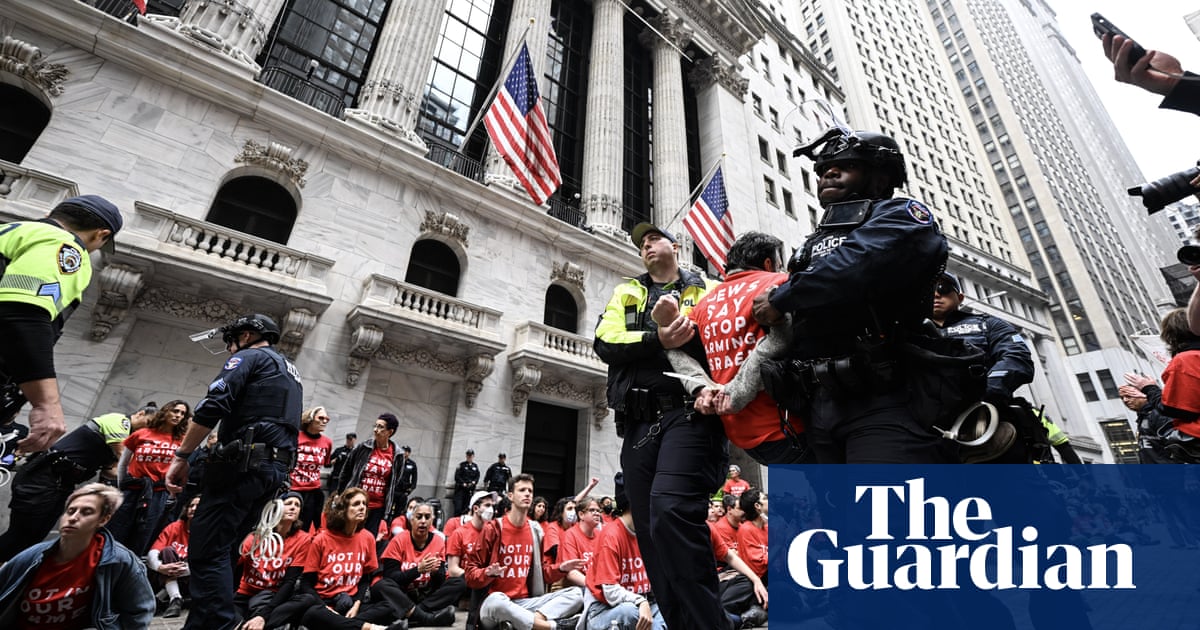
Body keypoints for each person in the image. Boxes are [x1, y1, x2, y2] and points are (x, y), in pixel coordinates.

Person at [752, 129, 951, 464]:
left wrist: (781, 297)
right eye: (823, 169)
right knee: (840, 514)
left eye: (846, 164)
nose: (828, 172)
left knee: (887, 509)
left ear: (879, 175)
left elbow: (857, 263)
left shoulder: (904, 216)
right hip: (820, 403)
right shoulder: (811, 243)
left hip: (884, 398)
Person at [593, 221, 727, 629]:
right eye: (642, 244)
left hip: (690, 414)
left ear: (676, 245)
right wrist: (658, 339)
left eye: (655, 239)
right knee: (651, 533)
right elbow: (606, 342)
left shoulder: (705, 289)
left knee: (671, 512)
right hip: (638, 425)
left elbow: (722, 342)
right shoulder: (626, 291)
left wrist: (682, 342)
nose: (647, 246)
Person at [165, 313, 303, 630]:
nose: (230, 349)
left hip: (240, 469)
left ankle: (224, 625)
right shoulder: (288, 370)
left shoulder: (249, 356)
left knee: (206, 552)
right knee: (224, 554)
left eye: (233, 340)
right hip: (270, 473)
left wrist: (182, 455)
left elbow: (214, 403)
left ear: (246, 335)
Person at [657, 231, 809, 464]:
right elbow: (784, 338)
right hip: (789, 426)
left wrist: (699, 388)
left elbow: (672, 346)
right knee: (837, 495)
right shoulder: (778, 284)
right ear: (769, 263)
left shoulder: (704, 304)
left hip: (738, 431)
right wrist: (737, 392)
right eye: (778, 264)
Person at [0, 194, 123, 453]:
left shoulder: (14, 231)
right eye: (101, 244)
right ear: (101, 235)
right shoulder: (66, 246)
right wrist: (47, 404)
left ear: (51, 214)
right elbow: (24, 313)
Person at [0, 402, 156, 563]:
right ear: (140, 414)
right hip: (42, 477)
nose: (149, 430)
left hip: (62, 485)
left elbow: (112, 471)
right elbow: (124, 458)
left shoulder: (128, 438)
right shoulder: (119, 421)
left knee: (36, 535)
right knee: (20, 533)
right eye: (150, 424)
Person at [0, 483, 154, 628]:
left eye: (86, 512)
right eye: (70, 511)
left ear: (103, 519)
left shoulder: (119, 561)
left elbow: (139, 611)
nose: (73, 518)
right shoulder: (31, 558)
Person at [929, 271, 1042, 463]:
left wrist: (983, 392)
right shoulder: (903, 332)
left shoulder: (989, 325)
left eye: (944, 288)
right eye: (929, 289)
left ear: (961, 297)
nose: (936, 294)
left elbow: (1017, 358)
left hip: (987, 426)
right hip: (922, 429)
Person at [463, 473, 584, 630]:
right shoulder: (493, 528)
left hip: (525, 603)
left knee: (576, 594)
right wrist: (487, 573)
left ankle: (520, 624)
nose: (527, 493)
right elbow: (470, 576)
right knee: (497, 600)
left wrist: (561, 568)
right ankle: (551, 627)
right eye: (522, 490)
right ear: (511, 496)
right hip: (494, 604)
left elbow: (543, 574)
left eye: (530, 491)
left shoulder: (535, 530)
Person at [296, 488, 401, 630]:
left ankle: (341, 625)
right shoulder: (322, 539)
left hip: (351, 604)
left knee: (389, 607)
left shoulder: (367, 537)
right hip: (324, 604)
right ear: (343, 509)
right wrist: (326, 608)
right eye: (356, 504)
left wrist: (357, 604)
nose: (362, 507)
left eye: (364, 504)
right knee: (313, 613)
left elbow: (365, 579)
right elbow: (306, 584)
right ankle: (375, 629)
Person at [108, 400, 190, 555]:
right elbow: (123, 463)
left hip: (158, 493)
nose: (178, 415)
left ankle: (128, 570)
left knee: (143, 535)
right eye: (175, 411)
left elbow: (183, 468)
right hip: (132, 490)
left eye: (182, 413)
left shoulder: (182, 440)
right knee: (116, 529)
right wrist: (121, 486)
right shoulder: (141, 434)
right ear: (165, 411)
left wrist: (172, 494)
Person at [582, 474, 664, 630]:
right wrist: (641, 601)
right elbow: (610, 591)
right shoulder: (611, 534)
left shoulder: (648, 534)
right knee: (630, 612)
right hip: (604, 610)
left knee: (674, 607)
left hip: (645, 605)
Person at [235, 491, 314, 630]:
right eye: (288, 503)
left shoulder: (303, 539)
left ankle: (253, 622)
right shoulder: (256, 536)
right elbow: (235, 569)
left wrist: (263, 616)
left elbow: (289, 582)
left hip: (275, 597)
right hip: (247, 594)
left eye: (297, 505)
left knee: (307, 599)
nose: (293, 507)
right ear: (277, 507)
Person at [376, 501, 462, 626]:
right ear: (412, 520)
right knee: (382, 585)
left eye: (427, 517)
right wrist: (418, 570)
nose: (423, 521)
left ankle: (414, 614)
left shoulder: (438, 541)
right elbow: (390, 578)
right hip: (402, 593)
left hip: (424, 597)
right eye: (419, 517)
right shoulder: (398, 540)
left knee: (459, 582)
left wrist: (435, 573)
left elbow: (440, 581)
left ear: (432, 521)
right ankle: (426, 618)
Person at [336, 413, 407, 544]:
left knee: (367, 541)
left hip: (377, 507)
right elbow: (346, 471)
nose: (375, 429)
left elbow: (394, 483)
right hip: (355, 502)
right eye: (375, 426)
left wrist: (385, 515)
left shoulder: (398, 455)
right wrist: (340, 493)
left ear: (390, 432)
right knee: (346, 537)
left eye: (381, 427)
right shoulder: (364, 447)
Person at [148, 494, 199, 618]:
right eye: (191, 505)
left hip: (193, 579)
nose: (193, 508)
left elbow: (209, 562)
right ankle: (175, 599)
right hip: (165, 572)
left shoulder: (208, 531)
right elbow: (152, 554)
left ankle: (165, 597)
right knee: (167, 551)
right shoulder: (175, 527)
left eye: (198, 506)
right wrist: (161, 568)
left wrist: (178, 570)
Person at [294, 406, 334, 531]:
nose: (324, 421)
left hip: (312, 490)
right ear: (310, 419)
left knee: (304, 528)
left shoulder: (327, 442)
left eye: (327, 419)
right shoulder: (296, 437)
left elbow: (325, 462)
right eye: (321, 418)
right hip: (293, 488)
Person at [446, 490, 496, 580]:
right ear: (475, 508)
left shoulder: (493, 533)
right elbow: (453, 569)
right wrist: (476, 576)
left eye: (492, 506)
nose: (491, 510)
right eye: (487, 505)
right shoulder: (459, 533)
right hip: (462, 582)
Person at [559, 496, 603, 588]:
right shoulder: (570, 535)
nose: (597, 514)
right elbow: (571, 573)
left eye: (598, 511)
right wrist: (595, 588)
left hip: (599, 586)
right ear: (581, 515)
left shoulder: (601, 535)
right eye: (592, 510)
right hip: (578, 589)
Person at [453, 448, 480, 516]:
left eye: (470, 456)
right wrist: (463, 483)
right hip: (461, 490)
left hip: (469, 491)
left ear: (473, 456)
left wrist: (474, 482)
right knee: (458, 508)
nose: (469, 457)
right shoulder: (461, 465)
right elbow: (457, 476)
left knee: (466, 509)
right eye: (468, 455)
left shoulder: (475, 466)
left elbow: (477, 476)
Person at [395, 445, 419, 521]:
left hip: (403, 490)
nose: (405, 453)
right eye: (403, 451)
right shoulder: (396, 461)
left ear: (409, 453)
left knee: (400, 510)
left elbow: (414, 478)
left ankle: (397, 521)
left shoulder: (412, 464)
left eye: (407, 451)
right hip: (394, 489)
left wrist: (410, 489)